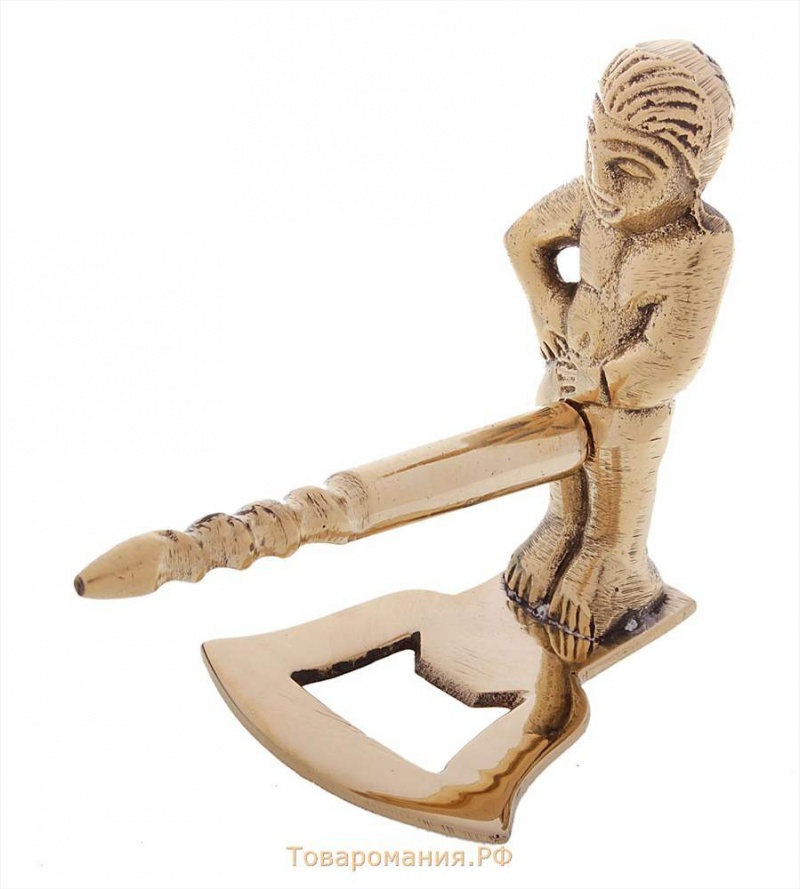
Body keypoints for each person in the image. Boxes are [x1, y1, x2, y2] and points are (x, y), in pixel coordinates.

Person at [503, 40, 734, 640]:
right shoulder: (587, 200)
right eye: (595, 150)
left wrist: (606, 381)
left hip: (631, 403)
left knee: (618, 474)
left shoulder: (698, 243)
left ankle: (614, 561)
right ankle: (561, 530)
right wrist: (550, 308)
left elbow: (677, 354)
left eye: (632, 168)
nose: (603, 181)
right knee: (562, 470)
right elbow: (523, 239)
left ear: (691, 177)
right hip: (566, 371)